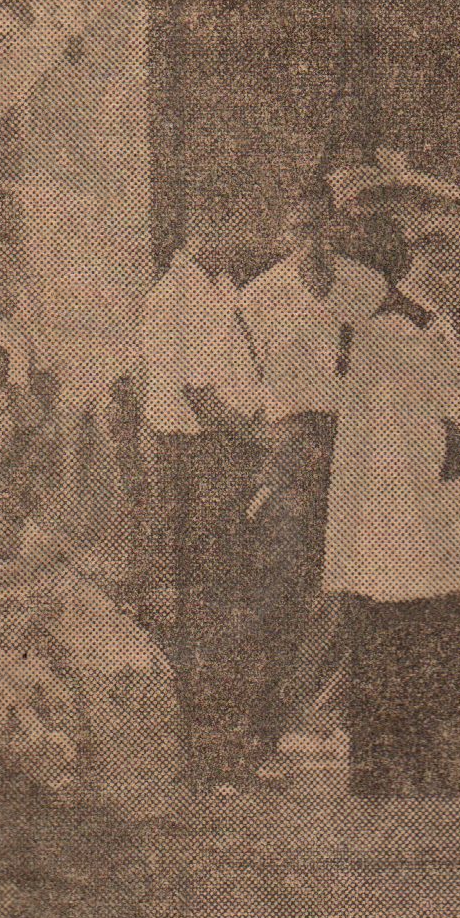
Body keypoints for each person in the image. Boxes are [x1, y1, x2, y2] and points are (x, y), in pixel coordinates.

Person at [322, 213, 460, 799]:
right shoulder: (392, 332)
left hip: (423, 513)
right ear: (436, 266)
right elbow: (438, 420)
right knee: (395, 637)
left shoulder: (426, 326)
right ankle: (385, 770)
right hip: (400, 518)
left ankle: (412, 765)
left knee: (418, 636)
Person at [236, 189, 386, 763]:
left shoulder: (366, 288)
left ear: (336, 230)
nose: (311, 243)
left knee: (352, 577)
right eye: (299, 231)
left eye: (320, 230)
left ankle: (334, 714)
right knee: (287, 577)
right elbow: (241, 378)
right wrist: (269, 439)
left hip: (356, 440)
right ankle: (273, 718)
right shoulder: (259, 298)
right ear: (284, 236)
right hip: (291, 443)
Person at [134, 185, 270, 782]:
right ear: (202, 230)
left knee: (227, 603)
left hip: (223, 457)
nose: (241, 240)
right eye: (230, 226)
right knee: (208, 605)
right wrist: (264, 439)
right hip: (197, 461)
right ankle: (209, 749)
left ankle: (222, 744)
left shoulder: (219, 291)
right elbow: (202, 400)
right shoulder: (177, 299)